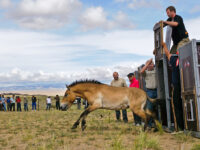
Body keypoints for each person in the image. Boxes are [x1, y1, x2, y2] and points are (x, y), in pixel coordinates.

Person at [162, 42, 184, 131]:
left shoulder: (176, 59)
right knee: (180, 105)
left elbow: (167, 53)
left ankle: (182, 127)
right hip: (182, 86)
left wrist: (164, 46)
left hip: (181, 86)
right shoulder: (182, 58)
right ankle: (182, 127)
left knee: (178, 105)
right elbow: (168, 54)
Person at [140, 58, 157, 128]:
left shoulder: (156, 71)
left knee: (156, 108)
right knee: (149, 108)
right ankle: (149, 125)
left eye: (151, 64)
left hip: (157, 91)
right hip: (149, 91)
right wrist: (148, 63)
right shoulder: (145, 73)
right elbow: (141, 71)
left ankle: (156, 124)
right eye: (149, 64)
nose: (150, 65)